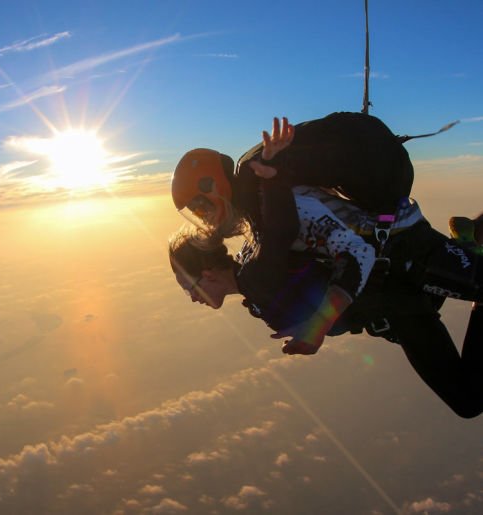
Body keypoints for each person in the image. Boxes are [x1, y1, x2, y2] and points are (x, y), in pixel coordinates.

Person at [168, 187, 483, 418]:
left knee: (467, 398)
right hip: (396, 305)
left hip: (400, 288)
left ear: (207, 274)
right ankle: (466, 245)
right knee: (466, 397)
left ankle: (468, 250)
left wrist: (317, 327)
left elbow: (286, 235)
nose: (193, 298)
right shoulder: (252, 269)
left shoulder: (259, 275)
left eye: (188, 288)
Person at [171, 113, 415, 241]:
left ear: (212, 185)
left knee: (380, 244)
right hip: (378, 151)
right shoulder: (248, 170)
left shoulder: (254, 188)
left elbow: (282, 237)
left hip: (383, 177)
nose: (206, 218)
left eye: (200, 207)